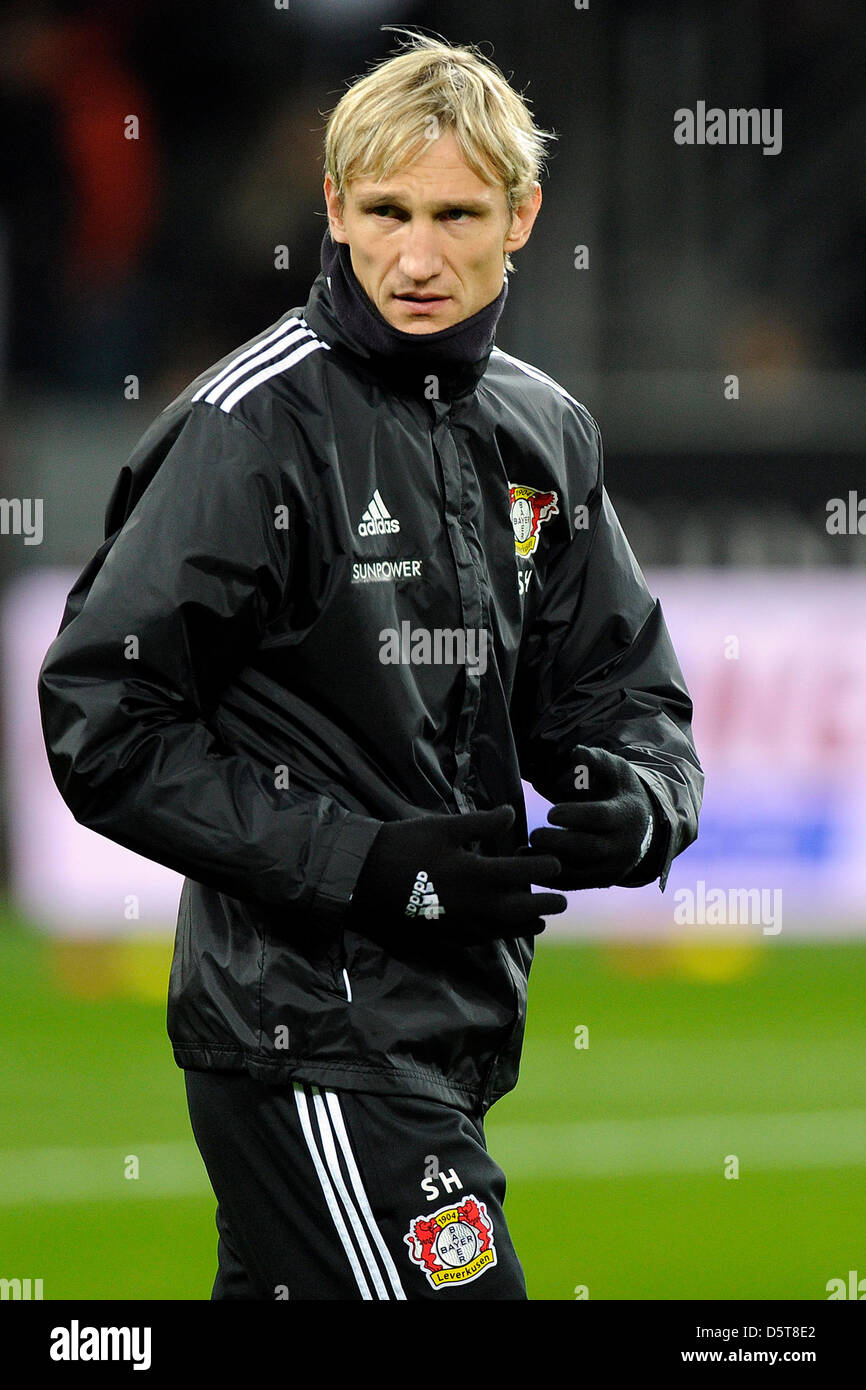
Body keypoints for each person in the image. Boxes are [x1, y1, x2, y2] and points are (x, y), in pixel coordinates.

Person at [37, 31, 703, 1301]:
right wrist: (363, 865)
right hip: (308, 1036)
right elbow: (101, 715)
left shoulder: (541, 428)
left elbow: (622, 687)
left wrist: (637, 800)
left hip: (449, 1032)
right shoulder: (254, 430)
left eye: (456, 213)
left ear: (521, 219)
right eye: (385, 210)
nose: (415, 255)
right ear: (333, 207)